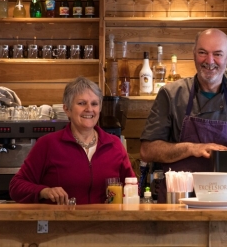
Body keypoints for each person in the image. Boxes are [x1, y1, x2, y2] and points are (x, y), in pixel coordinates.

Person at [140, 28, 227, 203]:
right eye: (203, 53)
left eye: (217, 54)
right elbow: (147, 151)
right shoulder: (171, 94)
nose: (209, 61)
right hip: (179, 202)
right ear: (194, 54)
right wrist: (192, 148)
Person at [9, 76, 135, 204]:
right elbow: (16, 186)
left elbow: (133, 187)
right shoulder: (48, 144)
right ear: (67, 109)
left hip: (104, 223)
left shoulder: (114, 145)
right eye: (81, 103)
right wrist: (44, 191)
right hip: (61, 223)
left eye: (94, 104)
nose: (89, 109)